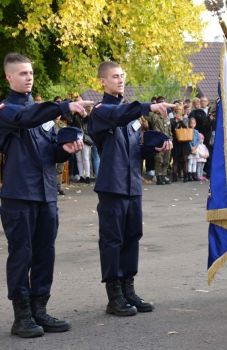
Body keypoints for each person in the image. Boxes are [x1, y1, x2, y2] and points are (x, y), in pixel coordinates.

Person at [1, 52, 87, 338]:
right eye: (23, 73)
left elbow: (50, 152)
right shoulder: (7, 110)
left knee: (45, 254)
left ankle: (40, 309)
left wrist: (65, 150)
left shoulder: (42, 114)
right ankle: (21, 315)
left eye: (31, 73)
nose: (29, 77)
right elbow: (27, 117)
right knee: (21, 254)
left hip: (46, 193)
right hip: (19, 195)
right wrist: (61, 105)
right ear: (9, 77)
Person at [88, 61, 173, 317]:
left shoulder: (129, 113)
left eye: (123, 76)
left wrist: (154, 147)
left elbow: (135, 149)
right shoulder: (102, 110)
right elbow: (119, 116)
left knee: (132, 236)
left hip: (132, 185)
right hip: (112, 185)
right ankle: (114, 296)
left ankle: (128, 289)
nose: (121, 80)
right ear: (103, 81)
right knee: (112, 240)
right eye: (115, 76)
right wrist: (147, 107)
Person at [187, 117, 200, 181]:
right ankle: (189, 175)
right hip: (190, 149)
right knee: (190, 162)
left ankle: (194, 174)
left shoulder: (197, 132)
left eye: (194, 123)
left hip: (195, 148)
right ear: (189, 124)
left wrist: (195, 147)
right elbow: (188, 140)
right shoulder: (188, 131)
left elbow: (198, 140)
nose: (193, 125)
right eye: (191, 123)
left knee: (195, 162)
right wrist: (191, 147)